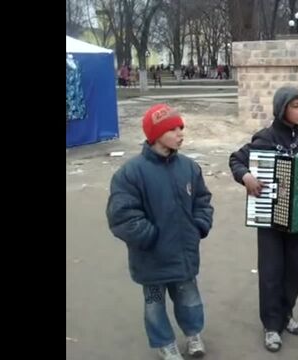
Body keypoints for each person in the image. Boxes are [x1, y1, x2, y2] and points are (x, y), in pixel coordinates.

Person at [106, 104, 214, 360]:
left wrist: (199, 225)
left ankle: (193, 334)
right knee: (154, 304)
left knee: (190, 299)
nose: (180, 133)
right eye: (173, 129)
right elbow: (122, 216)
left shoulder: (189, 167)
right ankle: (165, 343)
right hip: (151, 258)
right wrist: (150, 237)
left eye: (181, 128)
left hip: (184, 254)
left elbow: (202, 201)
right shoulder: (130, 174)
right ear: (156, 135)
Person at [228, 86, 298, 352]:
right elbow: (237, 159)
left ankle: (287, 314)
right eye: (296, 105)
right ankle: (271, 325)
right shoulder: (265, 138)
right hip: (268, 217)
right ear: (282, 109)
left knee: (293, 271)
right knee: (270, 272)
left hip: (296, 220)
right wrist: (245, 176)